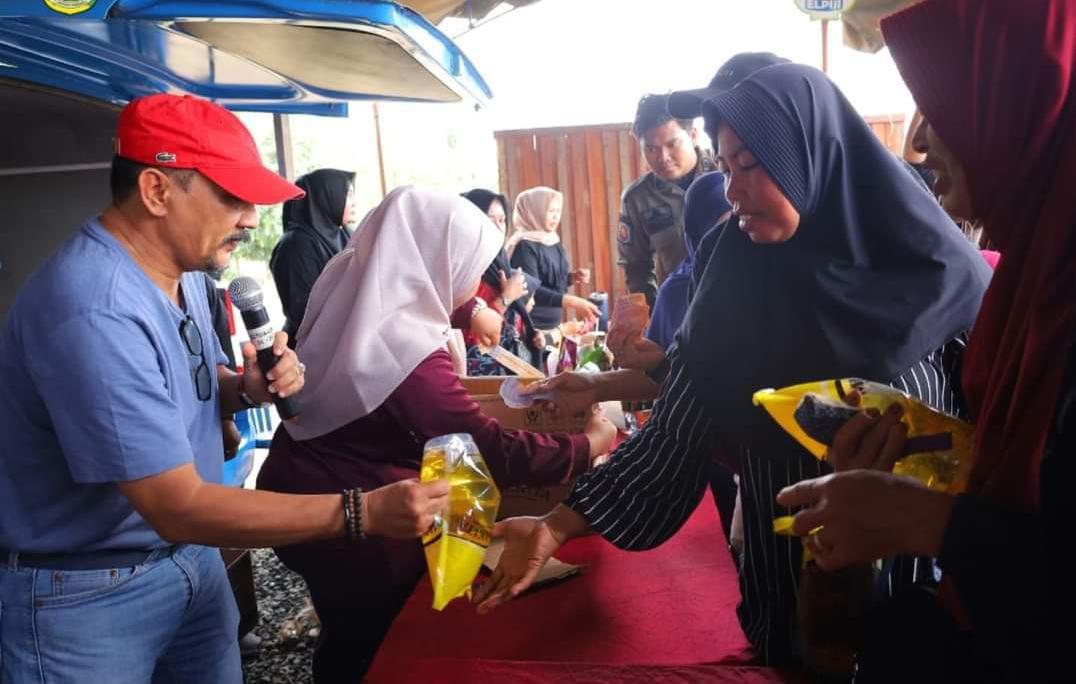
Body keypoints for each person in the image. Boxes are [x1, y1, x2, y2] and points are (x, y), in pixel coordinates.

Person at [476, 63, 991, 670]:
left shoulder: (935, 270)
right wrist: (554, 525)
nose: (730, 191)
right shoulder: (735, 276)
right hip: (791, 602)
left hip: (928, 606)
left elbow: (1000, 437)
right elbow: (675, 434)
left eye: (750, 165)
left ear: (810, 157)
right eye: (724, 168)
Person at [0, 95, 452, 683]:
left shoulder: (182, 273)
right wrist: (360, 511)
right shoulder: (95, 307)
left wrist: (245, 388)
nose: (251, 219)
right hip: (88, 592)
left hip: (188, 559)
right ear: (157, 191)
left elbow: (193, 381)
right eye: (232, 197)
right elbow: (176, 505)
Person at [775, 2, 1076, 680]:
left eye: (941, 101)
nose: (918, 142)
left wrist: (928, 521)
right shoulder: (1033, 274)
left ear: (1016, 96)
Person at [257, 186, 617, 682]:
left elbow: (415, 294)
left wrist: (470, 311)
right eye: (468, 270)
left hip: (309, 483)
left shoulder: (353, 288)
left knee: (344, 628)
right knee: (371, 642)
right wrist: (589, 442)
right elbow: (489, 448)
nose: (473, 284)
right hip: (348, 518)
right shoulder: (405, 357)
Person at [616, 94, 716, 306]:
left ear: (693, 135)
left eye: (672, 144)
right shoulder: (637, 199)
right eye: (650, 149)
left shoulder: (728, 171)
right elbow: (636, 267)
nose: (663, 157)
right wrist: (657, 312)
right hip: (680, 311)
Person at [270, 168, 356, 346]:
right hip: (312, 349)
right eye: (348, 195)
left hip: (345, 339)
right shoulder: (295, 245)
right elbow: (304, 312)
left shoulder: (345, 234)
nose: (353, 203)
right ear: (327, 198)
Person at [461, 188, 542, 373]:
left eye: (502, 220)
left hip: (507, 368)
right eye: (491, 220)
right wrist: (506, 298)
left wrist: (529, 333)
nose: (499, 227)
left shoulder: (499, 263)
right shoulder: (465, 271)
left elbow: (508, 324)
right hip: (480, 374)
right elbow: (469, 332)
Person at [507, 186, 599, 330]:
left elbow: (549, 282)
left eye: (557, 211)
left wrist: (571, 278)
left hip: (552, 327)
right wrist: (572, 301)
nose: (556, 217)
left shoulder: (551, 240)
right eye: (550, 211)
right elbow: (530, 289)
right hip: (532, 329)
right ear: (534, 212)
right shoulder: (524, 246)